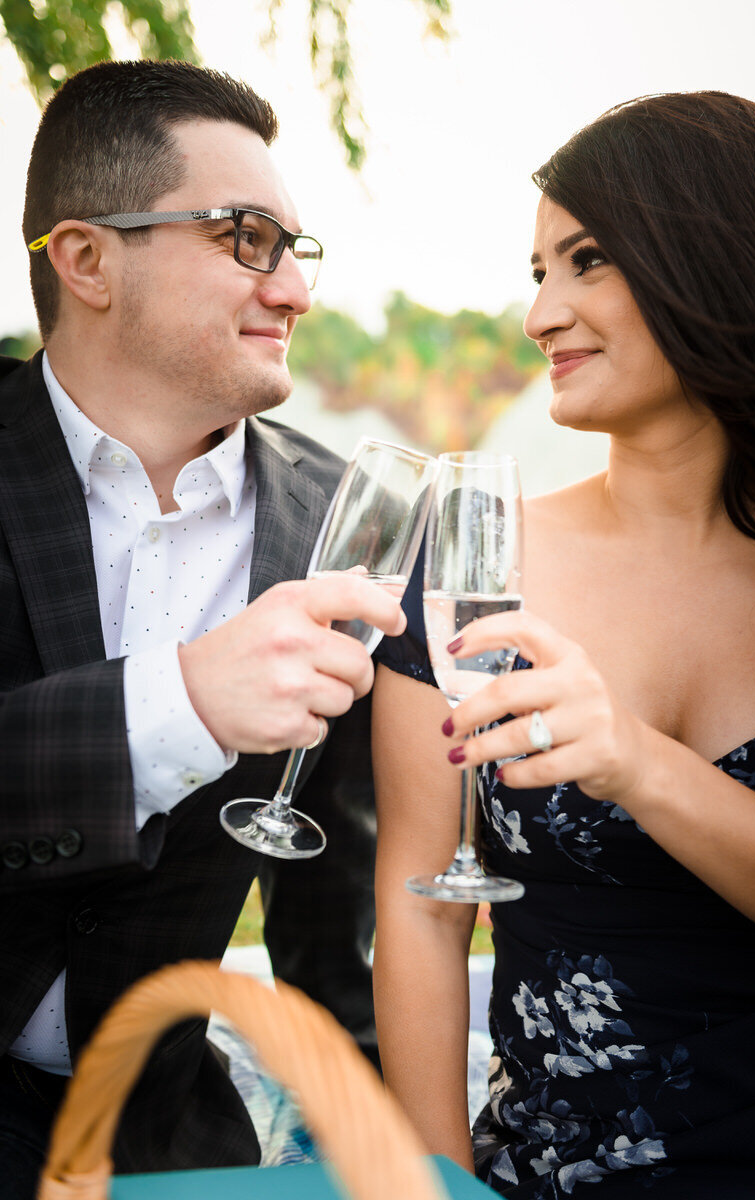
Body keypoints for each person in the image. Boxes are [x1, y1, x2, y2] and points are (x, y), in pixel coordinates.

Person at [373, 91, 755, 1198]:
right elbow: (422, 909)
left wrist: (638, 764)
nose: (540, 315)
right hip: (555, 1174)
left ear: (710, 255)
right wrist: (437, 1185)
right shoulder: (473, 560)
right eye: (536, 272)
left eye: (588, 259)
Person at [0, 58, 405, 1197]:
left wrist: (387, 1154)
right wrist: (176, 706)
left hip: (174, 1147)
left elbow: (336, 910)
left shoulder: (344, 519)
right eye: (245, 239)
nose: (292, 292)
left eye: (294, 251)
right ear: (85, 260)